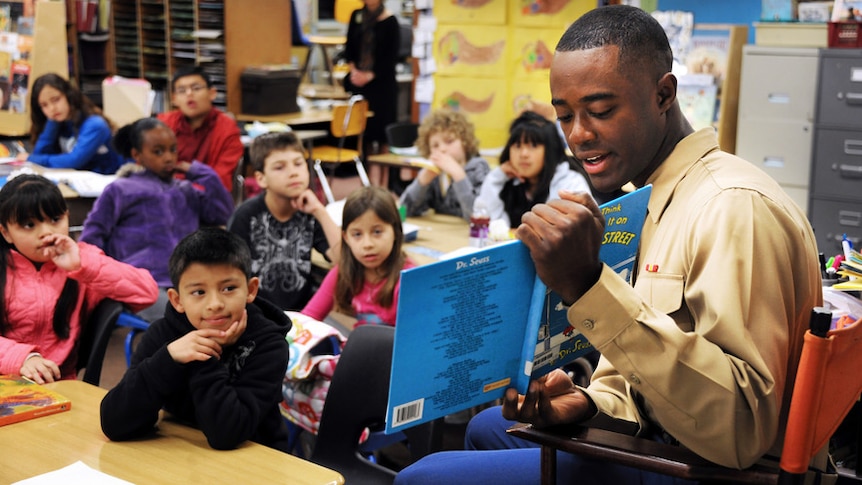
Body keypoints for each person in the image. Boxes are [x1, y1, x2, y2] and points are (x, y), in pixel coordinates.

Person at [395, 5, 823, 484]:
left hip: (713, 468)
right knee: (487, 425)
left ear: (663, 94)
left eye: (600, 111)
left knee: (423, 477)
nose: (579, 135)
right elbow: (652, 374)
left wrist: (586, 284)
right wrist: (590, 402)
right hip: (671, 435)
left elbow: (740, 431)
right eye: (564, 117)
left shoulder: (730, 208)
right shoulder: (649, 197)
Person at [100, 227, 293, 453]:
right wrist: (169, 359)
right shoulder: (163, 336)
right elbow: (114, 424)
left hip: (257, 462)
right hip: (183, 453)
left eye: (229, 288)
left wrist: (203, 354)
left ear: (250, 290)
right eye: (199, 292)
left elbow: (227, 434)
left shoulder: (268, 344)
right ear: (177, 300)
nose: (215, 304)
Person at [0, 174, 158, 384]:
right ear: (6, 232)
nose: (46, 232)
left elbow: (147, 293)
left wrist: (83, 266)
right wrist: (21, 358)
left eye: (55, 220)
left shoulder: (81, 261)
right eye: (29, 225)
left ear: (67, 216)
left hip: (59, 387)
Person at [80, 118, 234, 322]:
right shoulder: (121, 189)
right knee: (186, 319)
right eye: (158, 152)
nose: (169, 158)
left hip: (188, 279)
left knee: (229, 310)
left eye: (173, 149)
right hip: (142, 283)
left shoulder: (186, 189)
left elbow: (221, 213)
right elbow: (92, 237)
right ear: (137, 155)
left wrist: (201, 173)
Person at [227, 132, 341, 311]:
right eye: (280, 167)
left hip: (303, 315)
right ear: (261, 178)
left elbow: (343, 260)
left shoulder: (310, 211)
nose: (293, 173)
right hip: (255, 316)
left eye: (298, 163)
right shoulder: (246, 216)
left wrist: (320, 211)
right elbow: (229, 276)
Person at [302, 185, 413, 327]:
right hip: (355, 348)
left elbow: (413, 340)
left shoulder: (408, 279)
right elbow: (308, 319)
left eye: (377, 232)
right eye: (357, 234)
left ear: (396, 232)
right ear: (346, 237)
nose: (367, 244)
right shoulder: (342, 272)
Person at [476, 110, 592, 228]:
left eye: (533, 146)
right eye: (517, 146)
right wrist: (497, 177)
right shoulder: (509, 181)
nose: (523, 154)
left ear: (549, 151)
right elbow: (487, 225)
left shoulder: (570, 183)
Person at [341, 0, 401, 185]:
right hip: (358, 81)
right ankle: (364, 181)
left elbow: (391, 57)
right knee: (363, 134)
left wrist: (369, 75)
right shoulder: (357, 16)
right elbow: (349, 48)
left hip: (382, 84)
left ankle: (383, 183)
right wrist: (355, 71)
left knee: (382, 136)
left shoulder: (391, 21)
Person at [157, 66, 243, 192]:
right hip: (161, 195)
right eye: (182, 90)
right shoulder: (163, 124)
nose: (189, 94)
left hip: (206, 199)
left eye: (196, 88)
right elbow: (147, 168)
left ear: (212, 93)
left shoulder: (227, 129)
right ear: (174, 99)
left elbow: (220, 180)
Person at [20, 73, 124, 174]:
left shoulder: (94, 124)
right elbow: (39, 154)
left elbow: (75, 160)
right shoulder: (59, 122)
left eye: (56, 100)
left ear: (69, 96)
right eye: (44, 105)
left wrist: (31, 158)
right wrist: (52, 123)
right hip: (78, 180)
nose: (52, 108)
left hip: (107, 182)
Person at [399, 109, 490, 221]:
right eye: (435, 146)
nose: (442, 149)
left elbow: (478, 216)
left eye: (449, 141)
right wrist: (421, 182)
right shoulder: (435, 174)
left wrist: (458, 175)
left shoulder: (478, 167)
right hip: (441, 235)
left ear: (465, 141)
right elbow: (404, 211)